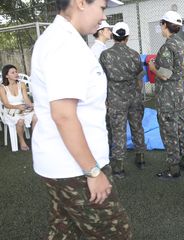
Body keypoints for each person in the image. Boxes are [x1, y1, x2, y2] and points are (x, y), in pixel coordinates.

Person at [30, 0, 131, 239]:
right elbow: (64, 115)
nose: (103, 17)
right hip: (74, 167)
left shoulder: (60, 38)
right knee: (115, 233)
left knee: (64, 229)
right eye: (102, 8)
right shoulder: (65, 45)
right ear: (80, 3)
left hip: (61, 162)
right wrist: (93, 172)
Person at [100, 22, 147, 178]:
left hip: (115, 99)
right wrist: (137, 93)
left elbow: (101, 80)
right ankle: (140, 159)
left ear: (113, 36)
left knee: (118, 132)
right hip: (134, 98)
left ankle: (118, 168)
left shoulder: (105, 55)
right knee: (137, 127)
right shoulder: (134, 54)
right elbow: (140, 79)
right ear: (127, 37)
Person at [148, 11, 184, 179]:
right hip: (181, 92)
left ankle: (173, 169)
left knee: (169, 130)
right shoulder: (182, 44)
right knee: (182, 126)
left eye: (161, 24)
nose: (161, 27)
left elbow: (164, 74)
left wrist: (152, 68)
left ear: (165, 25)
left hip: (169, 96)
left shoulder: (168, 46)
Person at [0, 64, 37, 151]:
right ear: (6, 75)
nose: (16, 74)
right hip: (10, 110)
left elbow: (26, 99)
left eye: (16, 72)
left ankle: (35, 140)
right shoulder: (2, 88)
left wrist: (31, 106)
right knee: (20, 121)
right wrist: (17, 107)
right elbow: (6, 104)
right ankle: (21, 141)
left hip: (22, 108)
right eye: (13, 72)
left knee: (36, 116)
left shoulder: (22, 84)